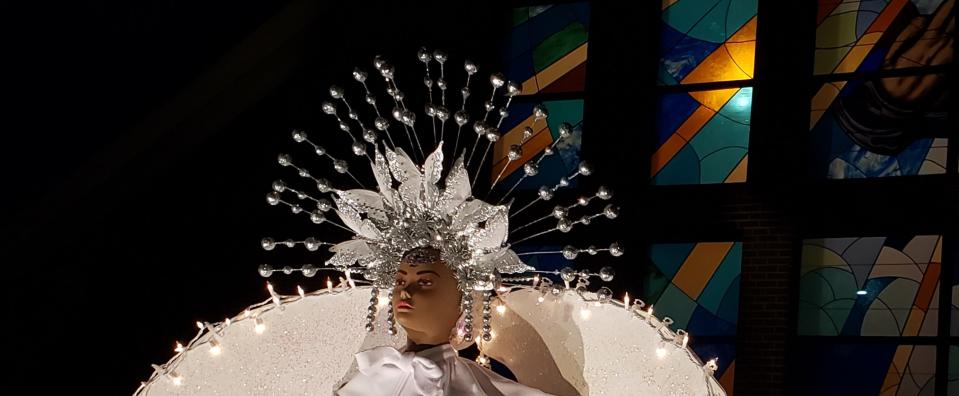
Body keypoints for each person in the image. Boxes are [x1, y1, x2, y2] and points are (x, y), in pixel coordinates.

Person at [336, 247, 555, 396]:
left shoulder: (472, 386)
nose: (405, 292)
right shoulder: (373, 373)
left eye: (425, 282)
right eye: (401, 281)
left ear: (462, 300)